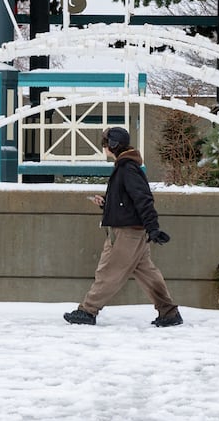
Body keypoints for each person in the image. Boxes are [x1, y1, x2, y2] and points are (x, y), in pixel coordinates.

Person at [64, 126, 183, 328]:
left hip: (126, 234)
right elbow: (128, 200)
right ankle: (169, 312)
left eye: (105, 143)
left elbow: (144, 198)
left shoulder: (127, 168)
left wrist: (153, 227)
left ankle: (88, 311)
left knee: (108, 271)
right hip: (132, 231)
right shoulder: (126, 166)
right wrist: (106, 203)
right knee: (147, 272)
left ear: (112, 145)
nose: (104, 147)